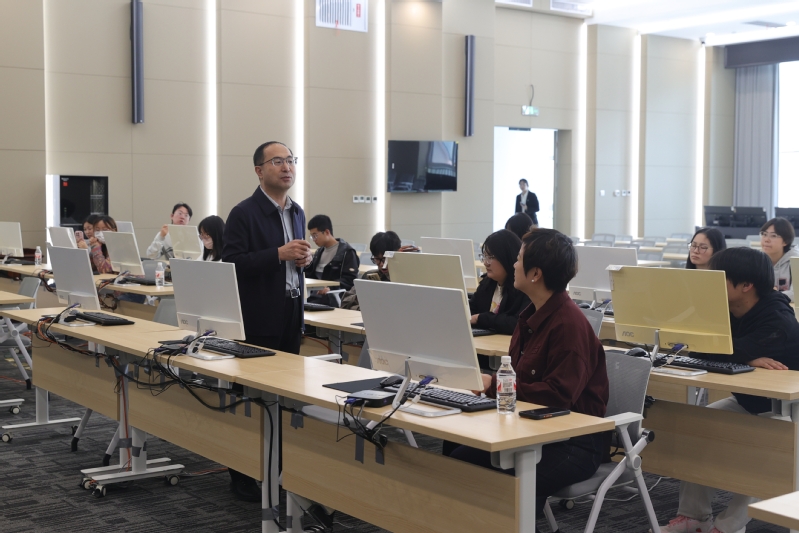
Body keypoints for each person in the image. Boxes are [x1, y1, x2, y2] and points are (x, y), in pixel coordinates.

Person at [449, 229, 609, 523]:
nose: (513, 264)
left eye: (519, 259)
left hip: (572, 443)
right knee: (456, 453)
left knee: (476, 472)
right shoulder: (531, 317)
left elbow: (558, 396)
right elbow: (520, 377)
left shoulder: (568, 326)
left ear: (535, 274)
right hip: (531, 430)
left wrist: (495, 385)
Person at [658, 247, 799, 533]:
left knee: (768, 451)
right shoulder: (725, 308)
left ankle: (727, 527)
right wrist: (744, 356)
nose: (708, 284)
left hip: (788, 411)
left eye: (717, 277)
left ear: (746, 285)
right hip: (751, 402)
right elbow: (692, 345)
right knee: (697, 429)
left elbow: (718, 349)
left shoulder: (778, 318)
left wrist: (738, 353)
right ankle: (694, 518)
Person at [221, 141, 311, 501]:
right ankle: (241, 471)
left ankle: (277, 468)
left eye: (290, 160)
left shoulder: (297, 211)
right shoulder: (244, 213)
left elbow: (291, 260)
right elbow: (232, 264)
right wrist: (278, 254)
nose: (287, 167)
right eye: (277, 161)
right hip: (258, 316)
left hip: (291, 311)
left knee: (285, 395)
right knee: (250, 397)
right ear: (259, 170)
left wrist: (301, 261)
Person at [470, 230, 530, 335]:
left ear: (507, 258)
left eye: (491, 257)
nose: (486, 263)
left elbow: (517, 323)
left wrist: (481, 318)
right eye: (484, 256)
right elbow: (471, 309)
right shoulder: (487, 283)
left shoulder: (524, 288)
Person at [339, 231, 417, 310]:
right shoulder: (369, 276)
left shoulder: (409, 279)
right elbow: (345, 303)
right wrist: (363, 296)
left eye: (385, 259)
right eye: (377, 259)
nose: (382, 264)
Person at [305, 214, 359, 306]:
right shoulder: (319, 252)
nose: (313, 240)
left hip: (332, 297)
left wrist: (330, 288)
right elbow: (312, 277)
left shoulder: (347, 252)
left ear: (327, 232)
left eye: (315, 235)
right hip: (314, 297)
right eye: (312, 236)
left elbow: (350, 280)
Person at [759, 217, 798, 302]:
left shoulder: (795, 261)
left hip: (788, 308)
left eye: (773, 236)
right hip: (765, 306)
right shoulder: (757, 260)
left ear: (785, 241)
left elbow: (796, 294)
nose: (766, 240)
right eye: (764, 234)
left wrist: (771, 295)